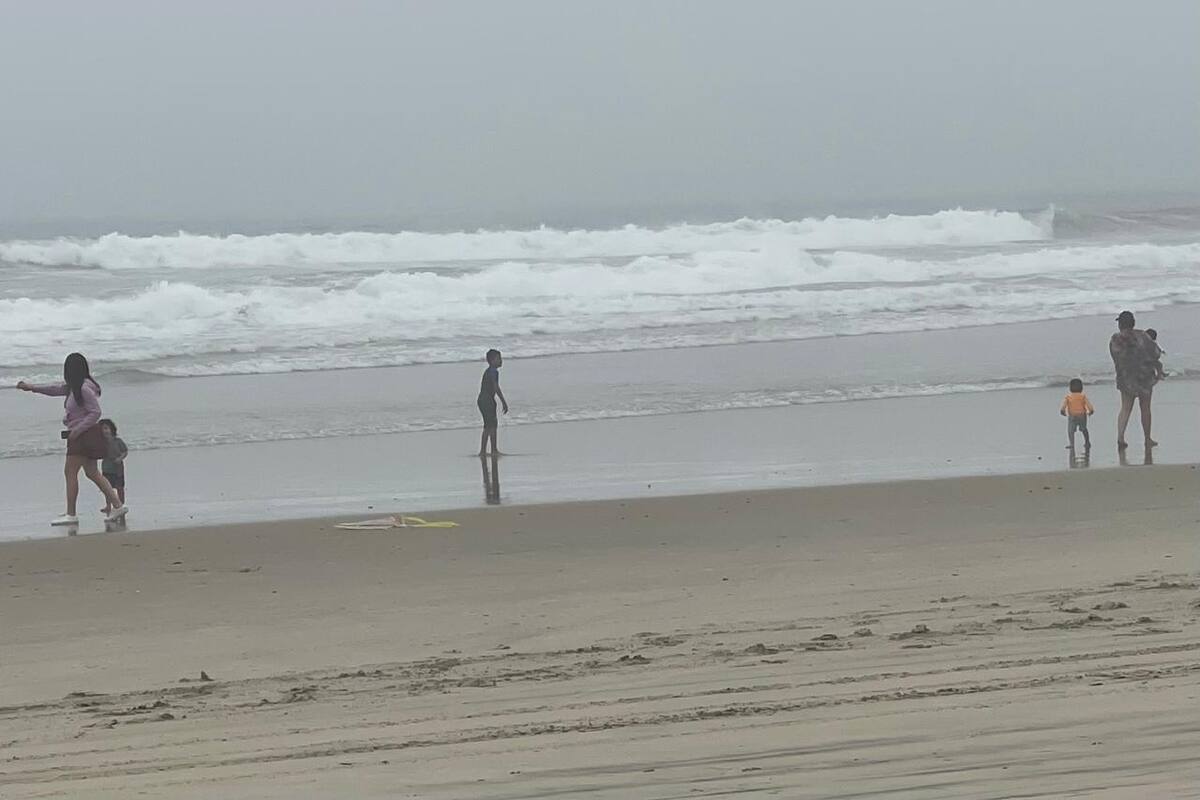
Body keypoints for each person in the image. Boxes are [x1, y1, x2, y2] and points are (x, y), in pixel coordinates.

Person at [16, 353, 128, 526]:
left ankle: (71, 514)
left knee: (70, 472)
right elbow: (54, 389)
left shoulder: (83, 388)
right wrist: (31, 387)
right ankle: (118, 506)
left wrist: (77, 429)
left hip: (83, 436)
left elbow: (96, 412)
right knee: (92, 473)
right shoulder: (74, 387)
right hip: (84, 434)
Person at [1109, 311, 1160, 450]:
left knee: (1125, 408)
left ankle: (1120, 437)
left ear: (1120, 324)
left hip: (1126, 379)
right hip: (1144, 378)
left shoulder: (1115, 339)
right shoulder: (1143, 336)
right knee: (1145, 409)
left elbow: (1115, 356)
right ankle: (1147, 439)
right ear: (1133, 323)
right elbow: (1156, 353)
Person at [477, 349, 509, 457]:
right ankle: (494, 450)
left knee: (487, 426)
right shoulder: (493, 372)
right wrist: (503, 402)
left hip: (482, 400)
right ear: (492, 360)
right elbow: (496, 387)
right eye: (498, 358)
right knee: (493, 425)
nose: (501, 361)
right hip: (487, 400)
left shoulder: (489, 371)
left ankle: (483, 451)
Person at [99, 418, 128, 515]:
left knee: (120, 488)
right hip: (106, 468)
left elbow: (125, 451)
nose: (104, 431)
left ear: (112, 429)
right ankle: (108, 506)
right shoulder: (101, 443)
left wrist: (120, 458)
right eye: (102, 429)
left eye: (106, 428)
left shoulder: (118, 441)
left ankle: (121, 504)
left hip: (118, 468)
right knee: (107, 488)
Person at [1059, 378, 1094, 450]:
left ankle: (1072, 444)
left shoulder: (1068, 397)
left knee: (1071, 430)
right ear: (1081, 388)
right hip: (1082, 415)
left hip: (1072, 416)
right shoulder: (1083, 396)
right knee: (1084, 429)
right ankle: (1087, 441)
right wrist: (1091, 411)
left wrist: (1062, 411)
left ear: (1070, 388)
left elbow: (1064, 406)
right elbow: (1089, 405)